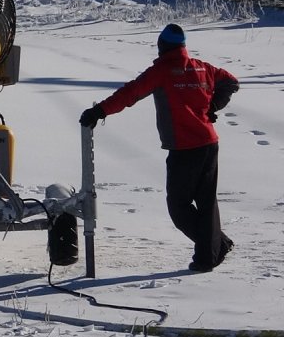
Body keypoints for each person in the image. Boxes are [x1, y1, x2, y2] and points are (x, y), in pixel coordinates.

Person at [79, 23, 239, 273]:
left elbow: (130, 93)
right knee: (206, 203)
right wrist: (213, 106)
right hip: (209, 144)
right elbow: (230, 81)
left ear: (162, 46)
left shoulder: (162, 71)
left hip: (184, 149)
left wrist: (99, 111)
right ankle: (211, 252)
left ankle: (214, 249)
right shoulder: (201, 67)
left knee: (178, 206)